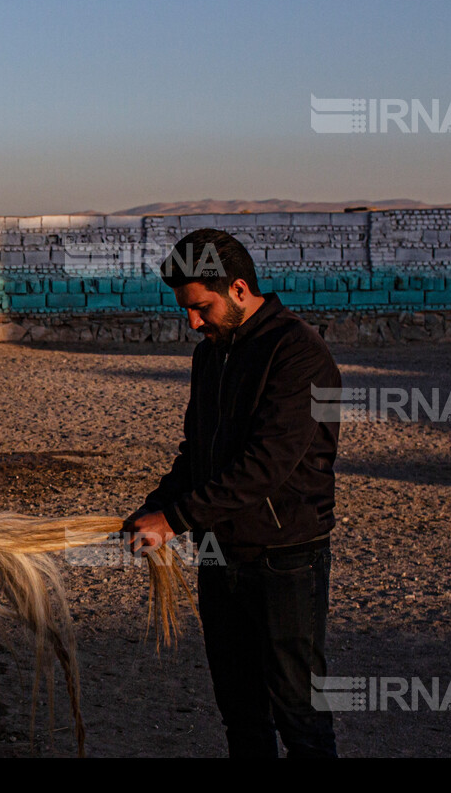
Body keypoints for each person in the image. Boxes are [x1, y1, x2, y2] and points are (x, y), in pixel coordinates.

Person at [123, 228, 341, 758]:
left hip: (285, 561)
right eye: (186, 310)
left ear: (240, 289)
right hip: (220, 557)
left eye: (201, 307)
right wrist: (156, 505)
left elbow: (263, 468)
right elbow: (197, 453)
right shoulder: (212, 354)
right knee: (241, 716)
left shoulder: (299, 354)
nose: (193, 321)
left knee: (299, 714)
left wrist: (173, 520)